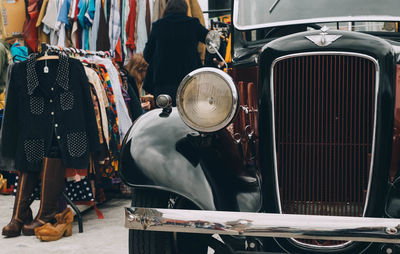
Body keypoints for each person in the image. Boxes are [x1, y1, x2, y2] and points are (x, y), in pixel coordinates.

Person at [143, 0, 209, 106]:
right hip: (188, 82)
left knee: (164, 116)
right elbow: (209, 39)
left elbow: (147, 54)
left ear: (167, 9)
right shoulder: (192, 24)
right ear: (185, 9)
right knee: (189, 115)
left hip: (163, 83)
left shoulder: (158, 26)